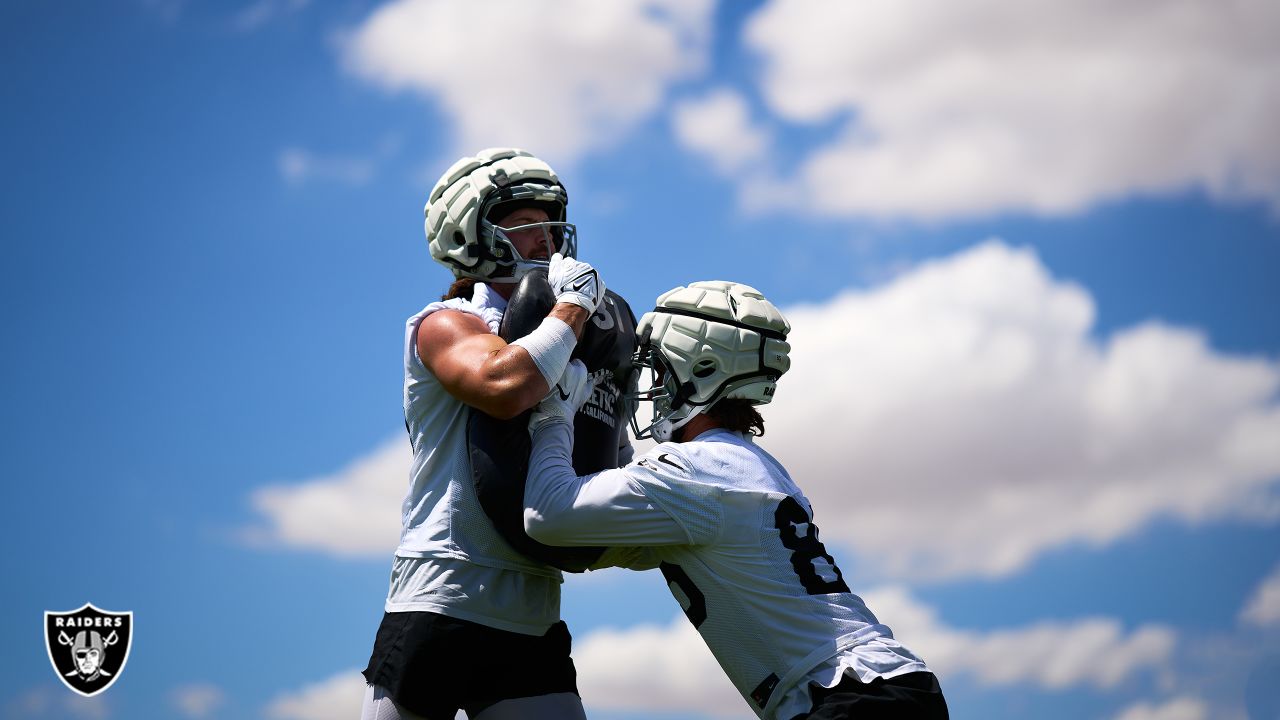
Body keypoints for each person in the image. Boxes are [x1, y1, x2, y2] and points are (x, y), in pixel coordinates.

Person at [521, 281, 950, 720]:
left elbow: (548, 515)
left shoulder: (695, 469)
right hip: (878, 688)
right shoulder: (738, 463)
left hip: (846, 693)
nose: (653, 387)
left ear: (702, 370)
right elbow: (598, 543)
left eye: (662, 370)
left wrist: (554, 414)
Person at [360, 148, 608, 720]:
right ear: (471, 234)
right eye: (526, 222)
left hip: (532, 604)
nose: (547, 238)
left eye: (551, 221)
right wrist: (573, 308)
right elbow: (505, 385)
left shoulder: (574, 331)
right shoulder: (445, 324)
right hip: (442, 593)